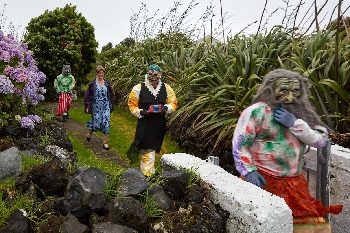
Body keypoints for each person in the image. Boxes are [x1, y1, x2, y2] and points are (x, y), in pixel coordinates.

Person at [232, 69, 342, 231]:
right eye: (284, 91)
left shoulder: (303, 113)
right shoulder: (258, 112)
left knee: (309, 228)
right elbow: (241, 143)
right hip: (263, 182)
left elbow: (321, 140)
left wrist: (295, 124)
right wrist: (248, 170)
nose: (290, 98)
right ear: (270, 89)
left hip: (295, 185)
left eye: (295, 91)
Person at [127, 64, 177, 176]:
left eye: (155, 74)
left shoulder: (166, 88)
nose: (152, 77)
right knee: (147, 150)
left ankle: (148, 173)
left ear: (160, 75)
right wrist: (140, 112)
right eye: (150, 74)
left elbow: (173, 103)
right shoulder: (138, 88)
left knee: (152, 150)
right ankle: (147, 175)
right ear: (147, 74)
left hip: (159, 125)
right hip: (145, 124)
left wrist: (166, 108)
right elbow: (132, 104)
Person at [84, 65, 114, 150]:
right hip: (96, 106)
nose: (101, 74)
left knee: (106, 123)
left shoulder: (107, 83)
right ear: (97, 73)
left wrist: (111, 104)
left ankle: (105, 143)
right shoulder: (92, 84)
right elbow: (87, 96)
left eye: (102, 73)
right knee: (96, 124)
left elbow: (111, 95)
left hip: (106, 106)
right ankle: (90, 132)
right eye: (99, 73)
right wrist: (87, 106)